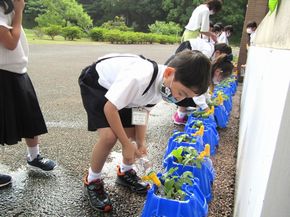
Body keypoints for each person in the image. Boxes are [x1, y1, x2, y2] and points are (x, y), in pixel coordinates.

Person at [78, 50, 211, 212]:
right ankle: (92, 180)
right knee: (109, 137)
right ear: (169, 73)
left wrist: (140, 142)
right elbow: (110, 108)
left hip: (124, 92)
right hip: (98, 83)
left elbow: (141, 112)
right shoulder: (140, 78)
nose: (179, 99)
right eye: (181, 93)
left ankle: (125, 172)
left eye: (185, 97)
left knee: (133, 135)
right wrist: (126, 144)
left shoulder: (163, 86)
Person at [0, 0, 56, 188]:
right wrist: (19, 11)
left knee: (30, 116)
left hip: (17, 70)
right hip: (1, 72)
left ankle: (34, 157)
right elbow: (10, 42)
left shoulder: (8, 6)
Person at [171, 43, 233, 125]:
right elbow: (198, 96)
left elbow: (205, 92)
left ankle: (180, 112)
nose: (220, 81)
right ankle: (180, 117)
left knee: (197, 97)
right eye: (221, 79)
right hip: (178, 90)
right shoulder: (205, 75)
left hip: (181, 85)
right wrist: (206, 108)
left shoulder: (208, 71)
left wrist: (209, 101)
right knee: (193, 98)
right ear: (218, 72)